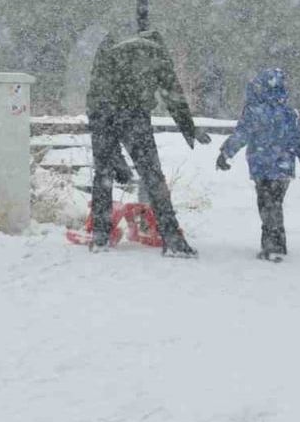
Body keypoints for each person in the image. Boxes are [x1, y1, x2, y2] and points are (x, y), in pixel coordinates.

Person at [86, 30, 211, 257]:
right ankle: (172, 239)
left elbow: (95, 89)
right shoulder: (156, 52)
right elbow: (173, 94)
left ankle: (100, 237)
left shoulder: (109, 46)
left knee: (103, 175)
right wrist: (188, 128)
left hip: (103, 112)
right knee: (153, 176)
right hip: (135, 117)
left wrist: (102, 129)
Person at [215, 68, 300, 261]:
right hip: (284, 167)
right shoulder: (289, 113)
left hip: (261, 167)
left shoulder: (254, 111)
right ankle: (277, 242)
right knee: (275, 202)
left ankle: (271, 245)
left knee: (266, 203)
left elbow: (241, 135)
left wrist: (225, 153)